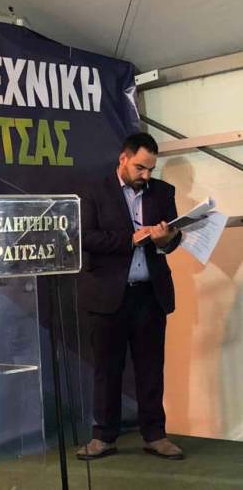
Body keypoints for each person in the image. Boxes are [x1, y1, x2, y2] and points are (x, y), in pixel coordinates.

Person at [77, 132, 185, 461]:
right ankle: (103, 437)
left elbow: (172, 241)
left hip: (150, 295)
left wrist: (166, 239)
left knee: (151, 368)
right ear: (123, 159)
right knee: (107, 369)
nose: (146, 175)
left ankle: (155, 434)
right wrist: (131, 239)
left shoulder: (163, 192)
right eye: (140, 167)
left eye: (151, 169)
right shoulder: (93, 189)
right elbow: (85, 237)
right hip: (108, 294)